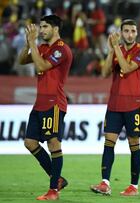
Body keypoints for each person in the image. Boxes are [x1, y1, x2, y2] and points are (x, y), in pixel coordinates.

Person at [90, 19, 140, 196]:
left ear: (136, 33)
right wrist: (110, 51)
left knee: (134, 145)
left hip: (133, 104)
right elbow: (105, 72)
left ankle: (134, 186)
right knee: (108, 143)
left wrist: (116, 48)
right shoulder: (117, 50)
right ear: (121, 33)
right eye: (126, 31)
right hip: (115, 104)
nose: (129, 34)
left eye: (132, 31)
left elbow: (126, 67)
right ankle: (105, 183)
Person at [20, 15, 73, 200]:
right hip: (40, 102)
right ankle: (57, 179)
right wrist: (29, 44)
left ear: (55, 29)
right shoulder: (42, 47)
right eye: (40, 27)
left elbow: (41, 65)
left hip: (54, 103)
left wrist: (33, 44)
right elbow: (21, 61)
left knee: (53, 143)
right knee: (30, 143)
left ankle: (53, 191)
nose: (41, 30)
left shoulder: (61, 49)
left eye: (45, 27)